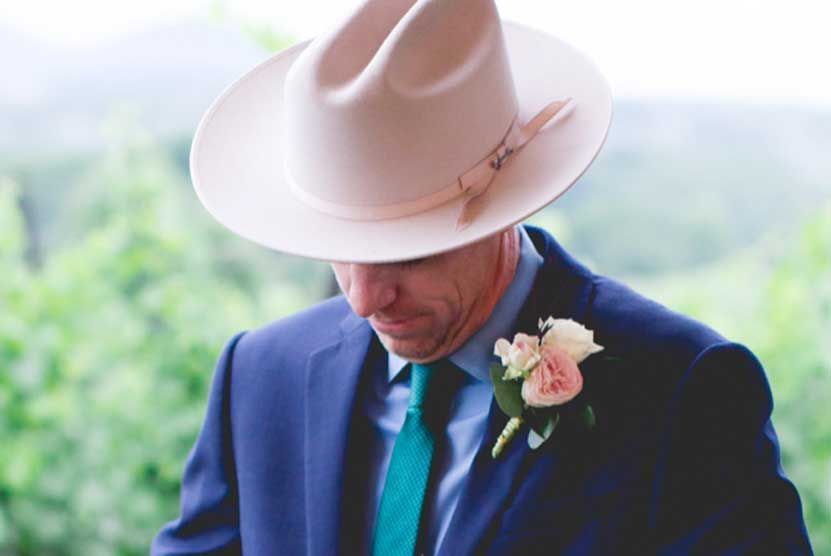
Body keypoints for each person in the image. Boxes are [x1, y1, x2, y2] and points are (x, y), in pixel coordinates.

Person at [152, 0, 813, 554]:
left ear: (501, 211)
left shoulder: (685, 390)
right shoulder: (259, 375)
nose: (363, 300)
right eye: (338, 247)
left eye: (407, 252)